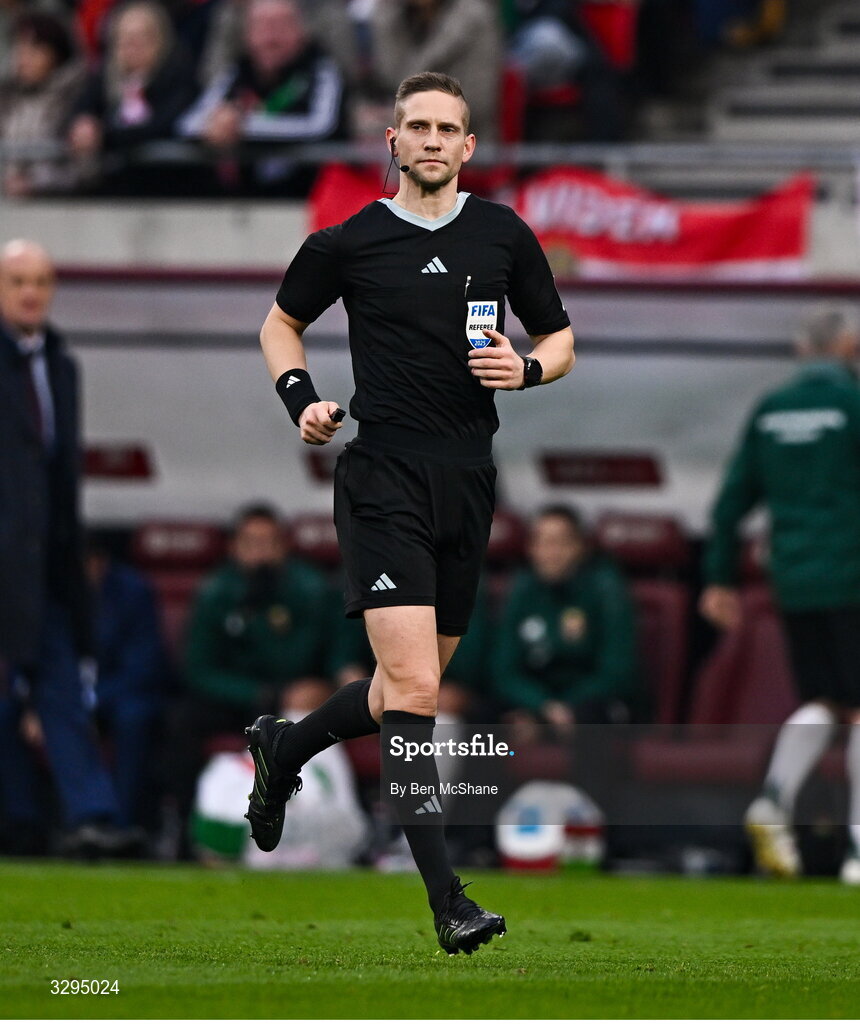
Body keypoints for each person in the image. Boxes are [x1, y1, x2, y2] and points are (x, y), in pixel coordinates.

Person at [243, 71, 574, 953]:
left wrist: (530, 368)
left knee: (400, 693)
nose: (431, 140)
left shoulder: (504, 233)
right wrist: (300, 397)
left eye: (448, 129)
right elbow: (280, 323)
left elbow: (561, 336)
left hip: (469, 480)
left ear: (470, 147)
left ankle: (287, 750)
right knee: (422, 689)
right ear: (391, 142)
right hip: (383, 475)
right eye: (416, 126)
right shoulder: (349, 241)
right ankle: (447, 901)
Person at [700, 307, 860, 886]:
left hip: (793, 580)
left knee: (825, 699)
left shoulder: (771, 409)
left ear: (800, 349)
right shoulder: (853, 404)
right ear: (848, 344)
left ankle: (773, 798)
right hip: (851, 574)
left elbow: (729, 505)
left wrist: (718, 578)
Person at [0, 239, 131, 857]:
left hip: (46, 565)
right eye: (18, 281)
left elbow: (59, 477)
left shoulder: (60, 365)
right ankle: (24, 817)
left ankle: (91, 818)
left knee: (61, 694)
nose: (31, 292)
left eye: (42, 281)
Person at [168, 502, 329, 839]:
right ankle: (187, 833)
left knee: (320, 714)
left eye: (268, 543)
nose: (259, 554)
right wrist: (256, 694)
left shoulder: (309, 589)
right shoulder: (216, 591)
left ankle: (312, 831)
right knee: (181, 721)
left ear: (284, 546)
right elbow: (198, 670)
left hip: (291, 699)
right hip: (238, 699)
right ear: (233, 548)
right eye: (250, 544)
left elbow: (310, 660)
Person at [492, 505, 640, 728]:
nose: (550, 553)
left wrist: (566, 707)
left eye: (560, 543)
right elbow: (503, 670)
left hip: (590, 701)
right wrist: (541, 707)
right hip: (539, 700)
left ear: (580, 547)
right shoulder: (522, 589)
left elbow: (616, 672)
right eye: (541, 542)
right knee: (485, 716)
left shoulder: (606, 589)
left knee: (588, 720)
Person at [179, 0, 345, 196]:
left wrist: (241, 126)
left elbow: (320, 126)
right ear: (247, 34)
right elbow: (188, 123)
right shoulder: (237, 72)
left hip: (310, 196)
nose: (271, 36)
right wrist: (214, 126)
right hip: (247, 198)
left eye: (281, 24)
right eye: (261, 25)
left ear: (301, 31)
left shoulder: (320, 69)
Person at [67, 0, 199, 194]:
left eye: (141, 39)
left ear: (160, 40)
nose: (132, 48)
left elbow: (162, 126)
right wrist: (83, 123)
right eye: (125, 40)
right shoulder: (106, 77)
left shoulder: (179, 76)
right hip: (114, 191)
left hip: (171, 191)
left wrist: (104, 137)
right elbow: (80, 109)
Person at [85, 534, 167, 831]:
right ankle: (23, 829)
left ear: (100, 562)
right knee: (8, 716)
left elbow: (143, 668)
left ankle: (121, 828)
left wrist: (86, 704)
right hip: (61, 696)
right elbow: (30, 651)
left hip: (119, 694)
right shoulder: (51, 590)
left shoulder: (133, 592)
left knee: (133, 716)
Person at [370, 0, 502, 141]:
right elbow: (388, 76)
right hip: (401, 139)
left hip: (465, 143)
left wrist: (407, 111)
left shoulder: (475, 18)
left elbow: (477, 100)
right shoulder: (391, 17)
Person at [0, 12, 85, 197]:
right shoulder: (5, 97)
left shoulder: (75, 98)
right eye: (20, 47)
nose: (25, 57)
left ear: (56, 54)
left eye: (35, 48)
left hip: (61, 209)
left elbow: (84, 168)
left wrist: (34, 184)